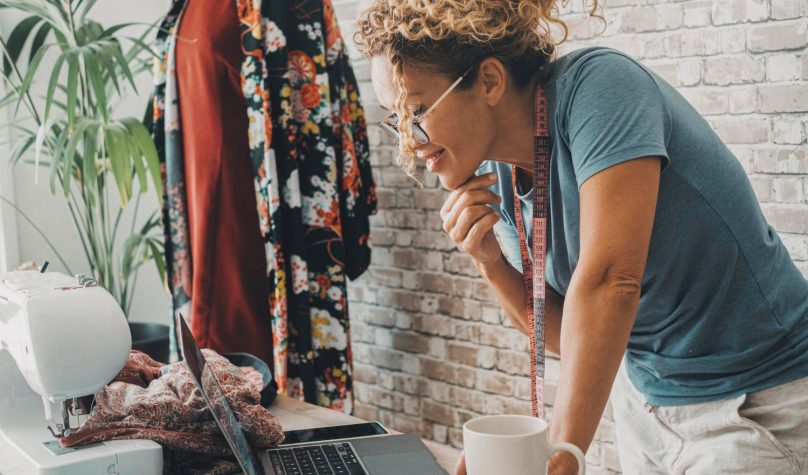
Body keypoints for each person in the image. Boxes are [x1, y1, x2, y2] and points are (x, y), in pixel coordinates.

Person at [354, 0, 808, 474]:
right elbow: (563, 334)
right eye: (395, 118)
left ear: (488, 80)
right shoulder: (495, 172)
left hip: (754, 401)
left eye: (416, 111)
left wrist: (559, 453)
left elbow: (612, 281)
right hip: (648, 405)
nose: (408, 140)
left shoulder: (601, 87)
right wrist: (491, 263)